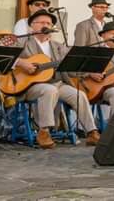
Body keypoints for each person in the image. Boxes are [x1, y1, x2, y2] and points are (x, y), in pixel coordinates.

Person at [14, 9, 100, 148]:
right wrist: (21, 63)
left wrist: (81, 63)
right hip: (30, 86)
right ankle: (44, 131)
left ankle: (91, 132)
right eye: (42, 22)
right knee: (49, 90)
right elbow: (5, 57)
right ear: (32, 25)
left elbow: (71, 68)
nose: (46, 25)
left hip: (58, 83)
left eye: (49, 23)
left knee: (79, 95)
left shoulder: (58, 46)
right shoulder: (22, 42)